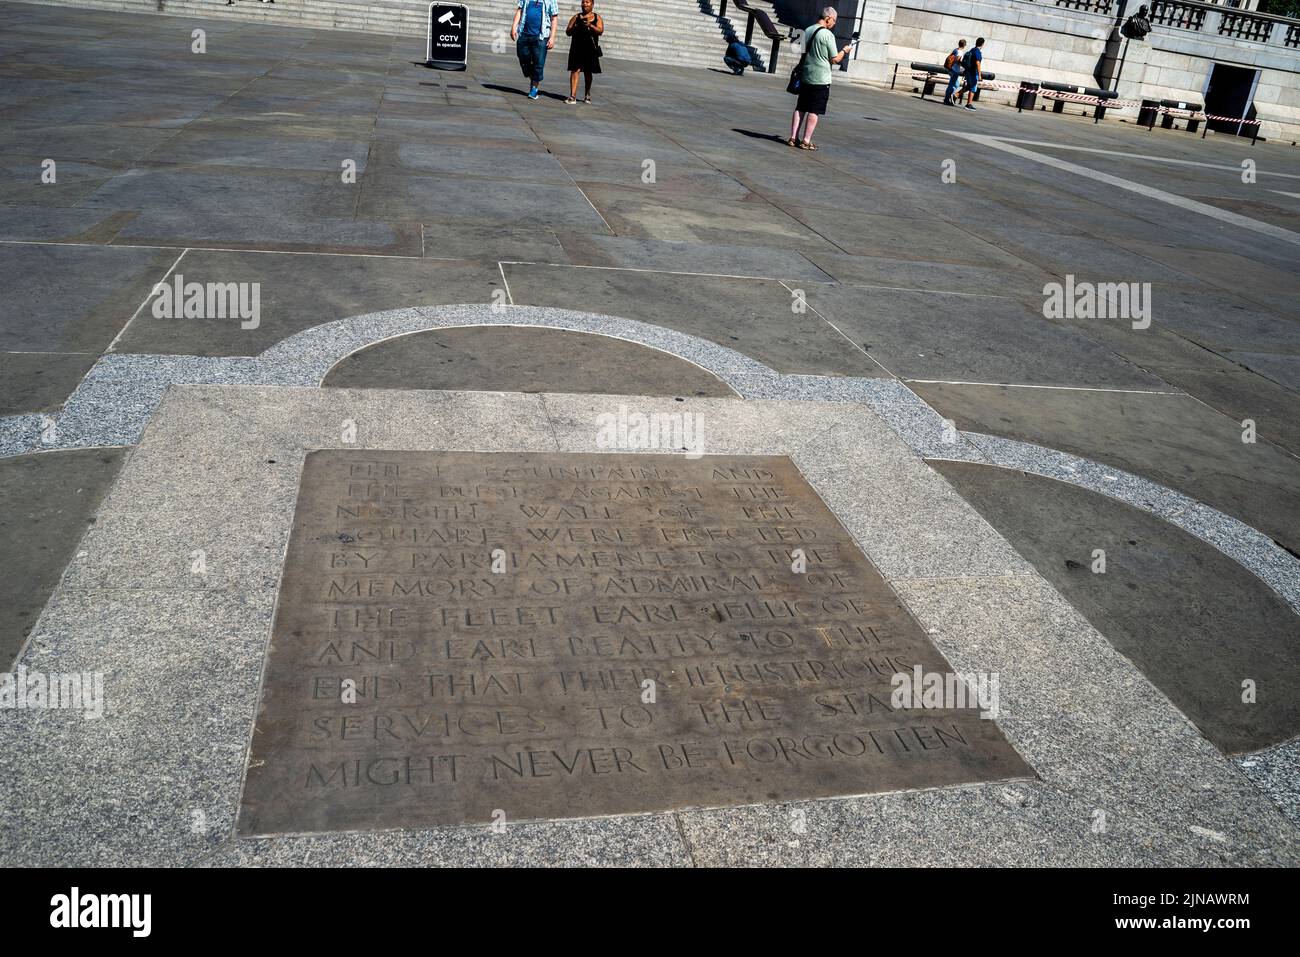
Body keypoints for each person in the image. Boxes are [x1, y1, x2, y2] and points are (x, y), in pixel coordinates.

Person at [787, 7, 853, 150]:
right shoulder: (827, 35)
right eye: (834, 20)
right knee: (814, 110)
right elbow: (835, 60)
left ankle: (793, 137)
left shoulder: (808, 30)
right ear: (828, 18)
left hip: (806, 74)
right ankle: (806, 140)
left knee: (800, 107)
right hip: (821, 78)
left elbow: (802, 51)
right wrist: (844, 51)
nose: (834, 24)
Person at [511, 0, 560, 100]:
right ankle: (534, 77)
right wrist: (513, 27)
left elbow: (554, 18)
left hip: (541, 37)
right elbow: (519, 10)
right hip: (524, 34)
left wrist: (552, 37)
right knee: (523, 58)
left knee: (539, 63)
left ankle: (534, 88)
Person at [565, 0, 603, 104]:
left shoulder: (597, 17)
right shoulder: (576, 17)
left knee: (588, 72)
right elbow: (568, 31)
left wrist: (590, 26)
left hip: (590, 49)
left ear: (592, 4)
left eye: (587, 2)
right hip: (576, 48)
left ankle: (587, 94)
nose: (584, 4)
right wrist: (576, 26)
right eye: (583, 2)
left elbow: (600, 31)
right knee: (575, 70)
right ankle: (572, 96)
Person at [960, 37, 985, 111]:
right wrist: (979, 75)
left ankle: (955, 95)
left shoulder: (972, 49)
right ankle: (969, 104)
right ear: (982, 44)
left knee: (969, 86)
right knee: (973, 88)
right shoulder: (977, 52)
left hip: (968, 71)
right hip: (973, 72)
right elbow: (978, 63)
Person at [942, 38, 966, 106]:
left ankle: (948, 97)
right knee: (952, 85)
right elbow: (958, 60)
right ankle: (947, 99)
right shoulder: (960, 52)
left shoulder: (956, 50)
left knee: (956, 84)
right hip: (955, 70)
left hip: (951, 69)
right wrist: (963, 64)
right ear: (964, 45)